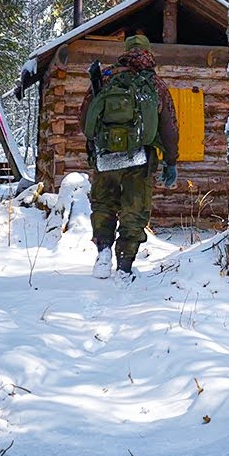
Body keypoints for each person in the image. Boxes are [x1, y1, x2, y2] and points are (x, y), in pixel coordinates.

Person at [79, 34, 179, 279]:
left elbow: (85, 119)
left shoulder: (105, 78)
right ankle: (124, 264)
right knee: (134, 210)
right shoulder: (155, 83)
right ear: (147, 53)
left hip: (106, 156)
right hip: (141, 158)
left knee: (103, 204)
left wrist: (96, 145)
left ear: (125, 51)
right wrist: (171, 160)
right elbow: (169, 127)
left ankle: (103, 251)